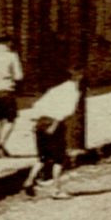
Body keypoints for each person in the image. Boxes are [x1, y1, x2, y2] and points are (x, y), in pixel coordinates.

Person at [22, 71, 84, 200]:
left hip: (40, 123)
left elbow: (37, 106)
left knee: (42, 157)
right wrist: (54, 126)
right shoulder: (73, 93)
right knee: (59, 159)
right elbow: (65, 112)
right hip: (53, 124)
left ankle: (29, 180)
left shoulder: (56, 89)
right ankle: (56, 190)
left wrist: (36, 123)